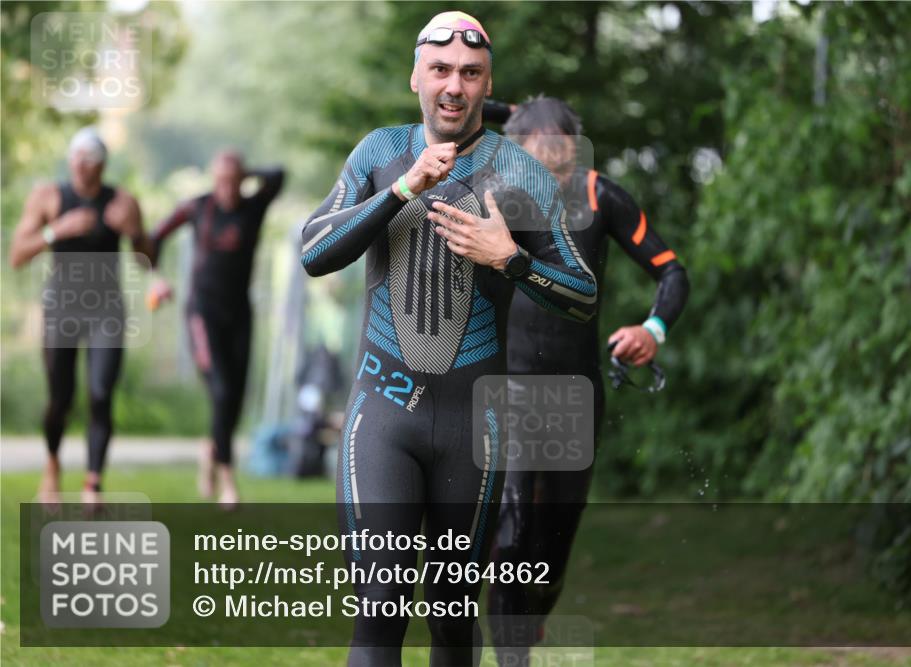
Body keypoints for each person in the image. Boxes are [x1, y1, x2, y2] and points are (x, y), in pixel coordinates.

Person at [300, 12, 597, 667]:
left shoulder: (519, 173)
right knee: (380, 608)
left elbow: (583, 292)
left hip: (474, 423)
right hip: (384, 413)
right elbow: (314, 251)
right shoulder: (380, 154)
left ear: (488, 84)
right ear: (417, 77)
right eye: (440, 70)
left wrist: (511, 259)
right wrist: (402, 191)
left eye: (470, 73)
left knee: (452, 622)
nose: (454, 85)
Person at [488, 96, 690, 666]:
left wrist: (653, 328)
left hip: (576, 394)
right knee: (513, 529)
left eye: (562, 165)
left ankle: (532, 619)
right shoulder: (493, 195)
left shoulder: (602, 195)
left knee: (552, 547)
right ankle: (512, 656)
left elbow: (672, 271)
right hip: (506, 389)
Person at [9, 127, 153, 507]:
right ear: (69, 160)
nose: (81, 165)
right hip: (62, 309)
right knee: (60, 397)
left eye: (89, 159)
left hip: (106, 310)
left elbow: (148, 259)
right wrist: (57, 230)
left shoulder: (122, 203)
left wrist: (135, 233)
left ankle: (93, 484)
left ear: (102, 165)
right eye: (76, 157)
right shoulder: (49, 198)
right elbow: (17, 255)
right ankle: (53, 466)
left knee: (101, 393)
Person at [147, 151, 284, 508]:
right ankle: (227, 480)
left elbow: (279, 174)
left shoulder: (253, 207)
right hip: (202, 315)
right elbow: (154, 237)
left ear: (242, 179)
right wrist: (155, 278)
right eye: (220, 180)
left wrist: (243, 169)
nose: (226, 187)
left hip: (239, 314)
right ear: (212, 179)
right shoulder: (198, 208)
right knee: (221, 393)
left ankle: (210, 451)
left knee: (235, 397)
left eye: (233, 180)